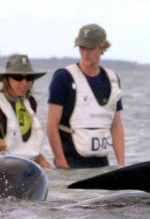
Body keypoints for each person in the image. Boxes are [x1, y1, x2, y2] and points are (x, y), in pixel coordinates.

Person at [46, 24, 125, 169]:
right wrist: (62, 163)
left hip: (102, 164)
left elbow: (116, 125)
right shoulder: (63, 77)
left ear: (102, 48)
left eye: (91, 49)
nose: (85, 53)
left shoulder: (112, 79)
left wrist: (121, 165)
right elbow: (51, 125)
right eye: (82, 48)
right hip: (70, 163)